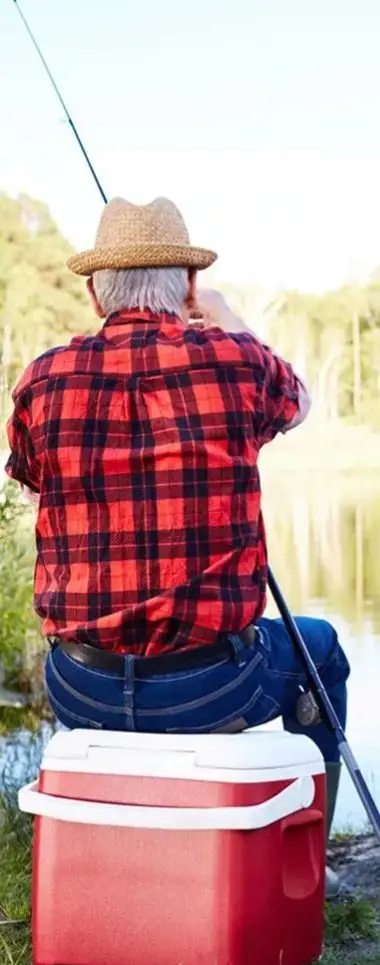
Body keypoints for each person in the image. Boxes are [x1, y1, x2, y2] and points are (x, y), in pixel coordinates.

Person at [4, 197, 350, 897]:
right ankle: (307, 857)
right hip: (211, 685)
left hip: (82, 683)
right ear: (187, 287)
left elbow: (36, 489)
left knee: (293, 646)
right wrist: (222, 314)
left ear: (96, 289)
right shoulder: (236, 360)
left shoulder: (43, 379)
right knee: (323, 650)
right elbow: (301, 400)